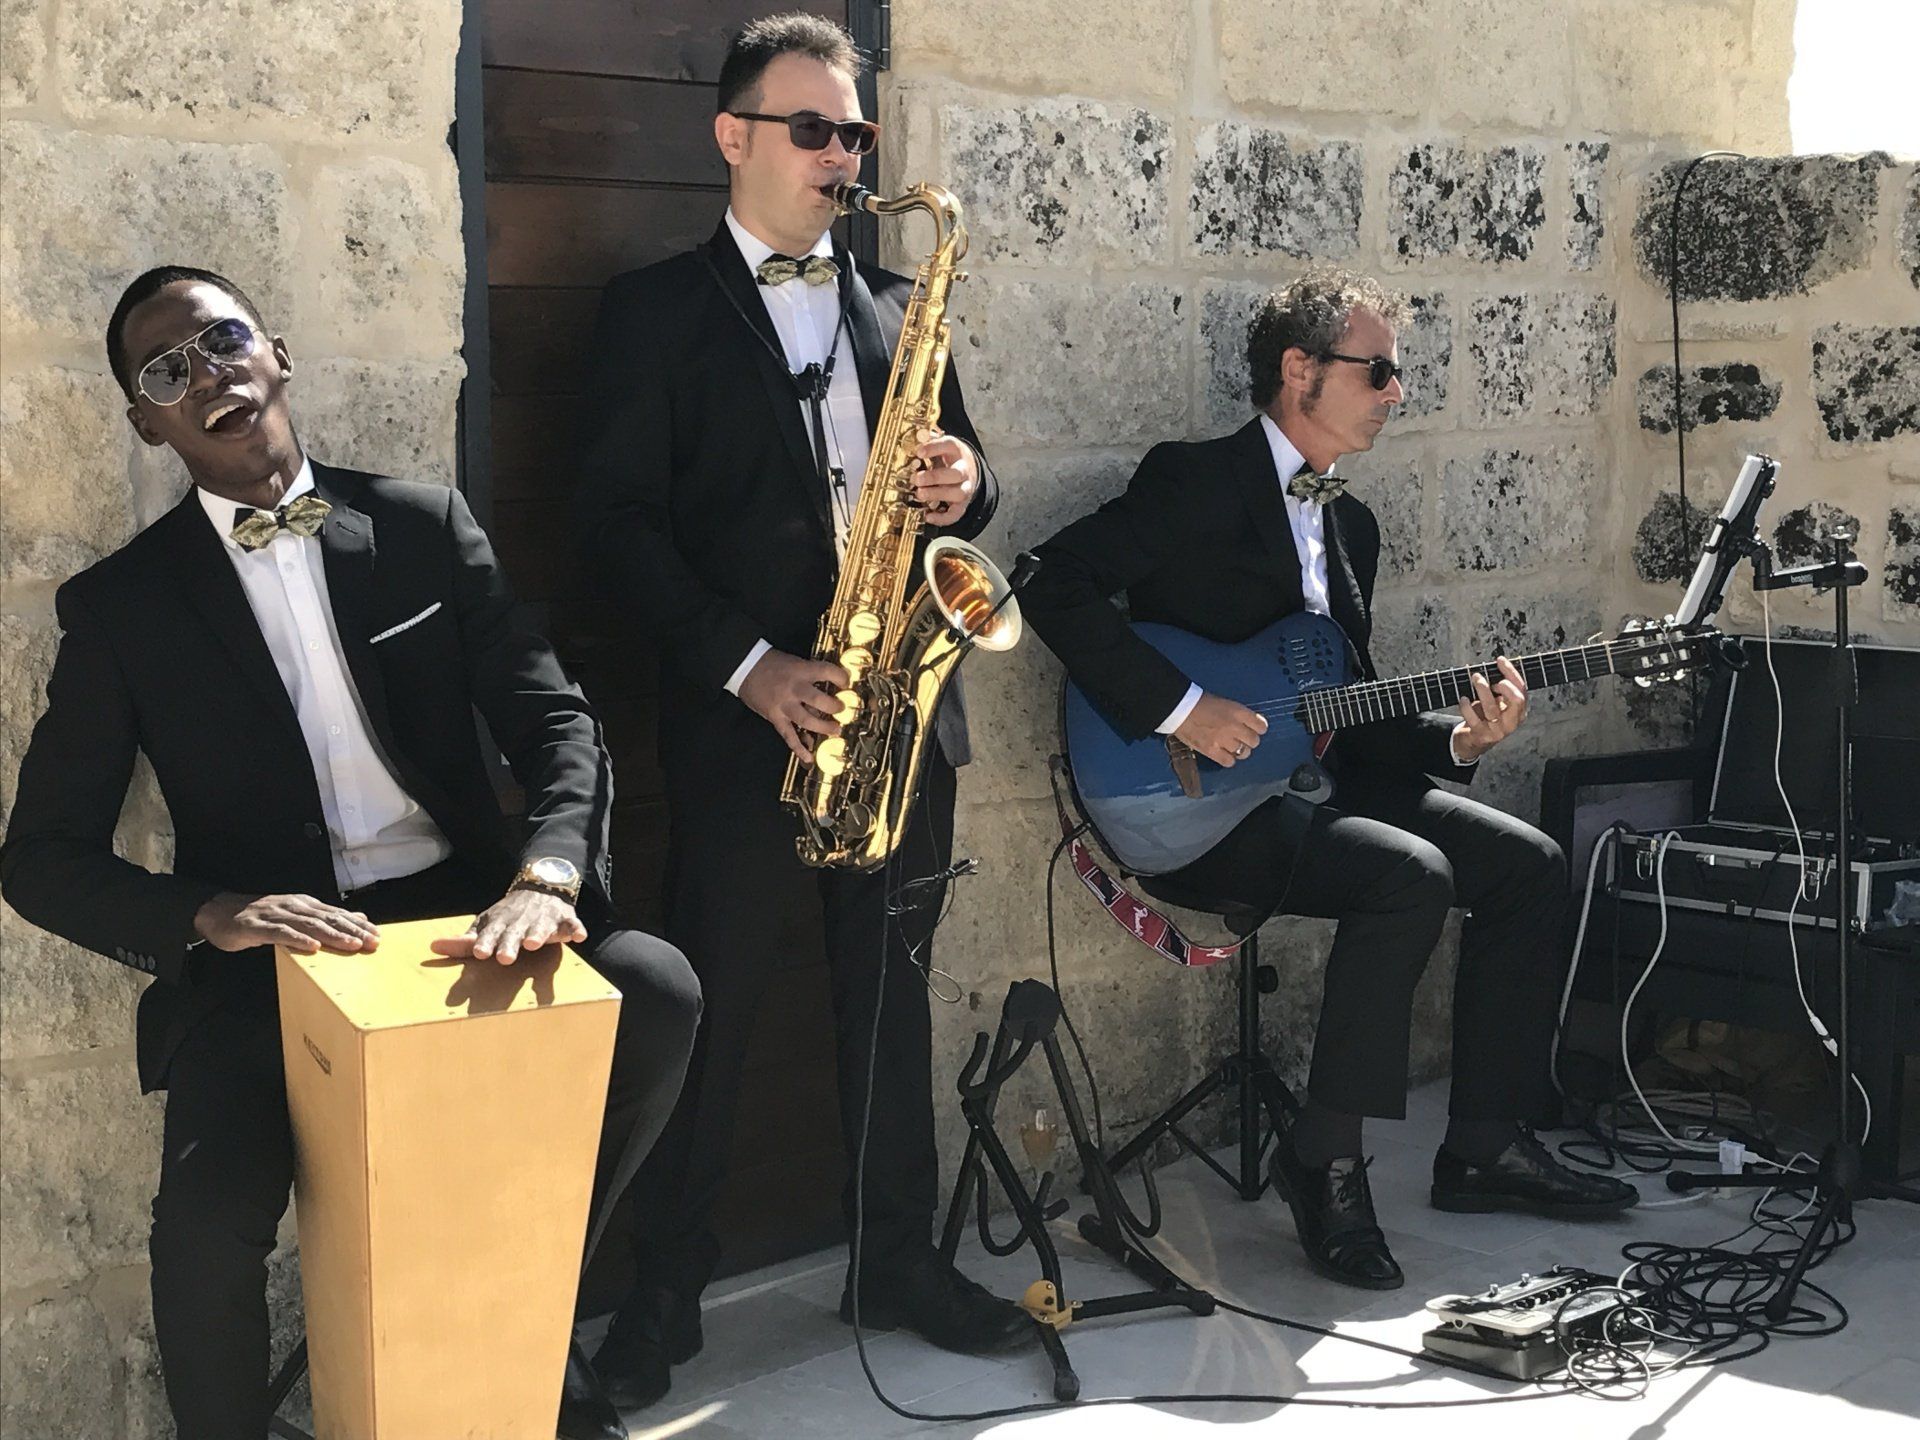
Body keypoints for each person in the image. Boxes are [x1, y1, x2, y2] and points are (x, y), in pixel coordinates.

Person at [0, 265, 702, 1440]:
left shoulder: (424, 525)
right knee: (206, 1224)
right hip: (269, 960)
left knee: (657, 991)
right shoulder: (120, 611)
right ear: (147, 422)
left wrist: (547, 873)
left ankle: (515, 1325)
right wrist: (211, 916)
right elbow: (39, 858)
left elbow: (555, 723)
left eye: (223, 341)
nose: (207, 373)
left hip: (462, 920)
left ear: (275, 352)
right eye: (167, 371)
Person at [573, 10, 1030, 1409]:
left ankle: (893, 1257)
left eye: (856, 133)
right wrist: (751, 668)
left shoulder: (899, 301)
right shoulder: (652, 313)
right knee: (704, 1020)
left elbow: (963, 492)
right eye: (814, 129)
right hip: (745, 729)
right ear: (734, 137)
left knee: (889, 1006)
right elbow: (616, 526)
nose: (842, 154)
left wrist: (968, 487)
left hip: (901, 718)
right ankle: (660, 1296)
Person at [1020, 267, 1636, 1293]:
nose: (1398, 393)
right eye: (1380, 370)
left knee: (1527, 865)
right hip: (1188, 803)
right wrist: (1183, 709)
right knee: (1409, 876)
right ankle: (1325, 1159)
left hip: (1302, 785)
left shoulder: (1351, 527)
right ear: (1298, 370)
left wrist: (1461, 743)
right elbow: (1051, 581)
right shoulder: (1196, 479)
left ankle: (1483, 1145)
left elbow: (1344, 714)